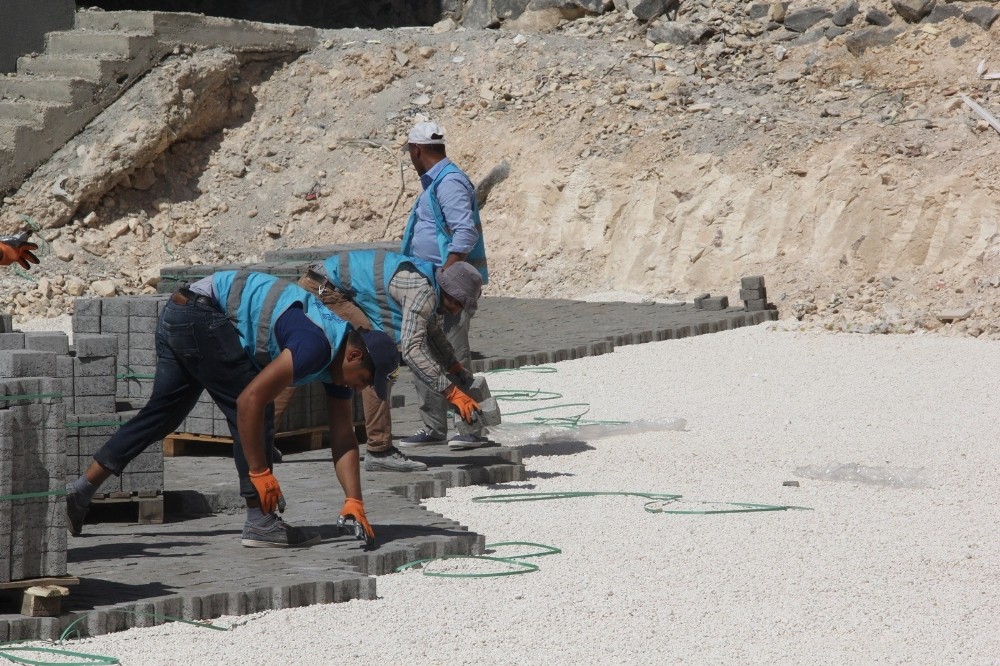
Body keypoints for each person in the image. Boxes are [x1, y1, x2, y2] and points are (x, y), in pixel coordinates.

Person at [65, 270, 399, 549]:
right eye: (366, 380)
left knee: (162, 414)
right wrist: (260, 474)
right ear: (355, 356)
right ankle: (260, 521)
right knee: (257, 407)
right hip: (202, 314)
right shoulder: (316, 344)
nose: (362, 389)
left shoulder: (342, 359)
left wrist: (354, 500)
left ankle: (81, 491)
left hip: (180, 310)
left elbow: (343, 436)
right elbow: (249, 402)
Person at [277, 249, 484, 472]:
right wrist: (451, 392)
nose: (456, 310)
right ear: (449, 291)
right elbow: (412, 350)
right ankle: (379, 450)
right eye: (458, 303)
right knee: (377, 361)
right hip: (324, 290)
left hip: (327, 285)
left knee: (303, 365)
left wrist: (452, 363)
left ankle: (259, 436)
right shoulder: (422, 292)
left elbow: (431, 330)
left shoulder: (430, 285)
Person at [398, 121, 490, 449]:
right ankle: (434, 428)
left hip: (445, 289)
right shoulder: (437, 181)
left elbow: (465, 232)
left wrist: (447, 281)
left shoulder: (448, 182)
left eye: (410, 151)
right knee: (423, 351)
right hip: (430, 285)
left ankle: (473, 430)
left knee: (454, 355)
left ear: (417, 150)